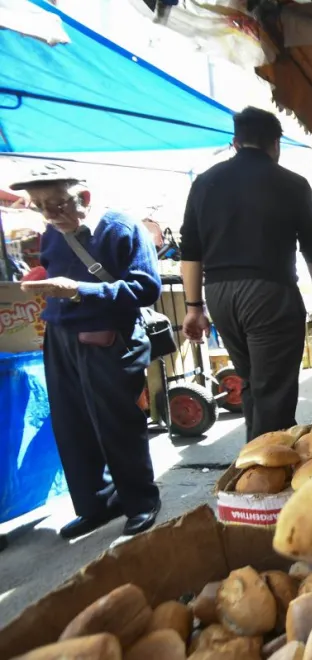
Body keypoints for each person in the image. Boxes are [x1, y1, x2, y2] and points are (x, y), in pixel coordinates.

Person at [12, 166, 161, 539]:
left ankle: (141, 501)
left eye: (58, 204)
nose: (50, 215)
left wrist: (80, 290)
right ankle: (96, 504)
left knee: (118, 423)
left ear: (85, 199)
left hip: (109, 337)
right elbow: (54, 267)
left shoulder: (122, 228)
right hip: (60, 337)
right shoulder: (51, 232)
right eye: (41, 207)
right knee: (71, 425)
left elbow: (146, 289)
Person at [180, 107, 312, 442]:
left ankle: (255, 469)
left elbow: (190, 251)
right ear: (276, 144)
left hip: (219, 296)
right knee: (273, 394)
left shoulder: (204, 183)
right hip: (269, 294)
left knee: (254, 385)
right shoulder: (293, 184)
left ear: (236, 142)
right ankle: (262, 478)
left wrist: (194, 308)